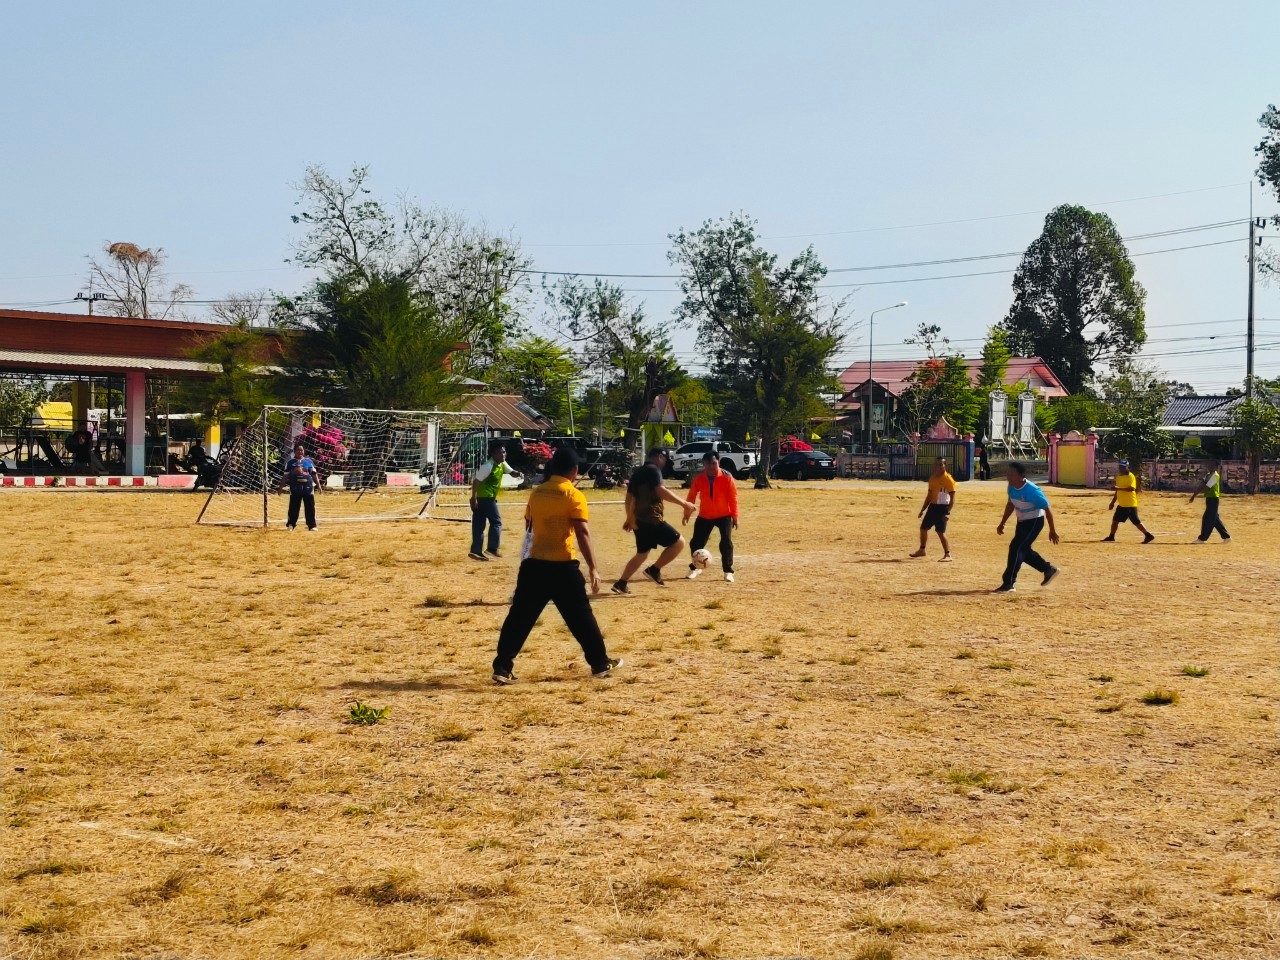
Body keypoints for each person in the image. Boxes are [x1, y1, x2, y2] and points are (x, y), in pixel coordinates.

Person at [492, 447, 620, 684]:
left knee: (519, 618)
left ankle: (502, 666)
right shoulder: (573, 495)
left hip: (534, 565)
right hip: (562, 567)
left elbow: (529, 526)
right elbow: (582, 532)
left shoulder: (537, 492)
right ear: (575, 470)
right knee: (581, 617)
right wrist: (593, 567)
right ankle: (600, 663)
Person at [612, 449, 696, 593]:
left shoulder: (638, 472)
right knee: (679, 543)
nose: (664, 464)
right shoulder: (654, 470)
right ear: (660, 457)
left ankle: (621, 583)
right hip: (651, 519)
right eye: (665, 460)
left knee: (642, 553)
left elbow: (629, 497)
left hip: (639, 520)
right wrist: (684, 504)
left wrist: (630, 518)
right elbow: (661, 491)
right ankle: (654, 570)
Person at [994, 461, 1059, 593]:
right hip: (1022, 522)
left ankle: (1009, 583)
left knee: (1016, 547)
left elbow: (1047, 508)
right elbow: (1011, 504)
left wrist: (1052, 530)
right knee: (1023, 550)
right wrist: (1002, 522)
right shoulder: (1011, 487)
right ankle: (1048, 569)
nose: (1008, 477)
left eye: (1012, 474)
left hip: (1034, 522)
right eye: (1008, 474)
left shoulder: (1032, 490)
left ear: (1021, 475)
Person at [685, 451, 739, 582]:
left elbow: (733, 498)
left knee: (726, 542)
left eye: (714, 463)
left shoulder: (727, 477)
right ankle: (696, 567)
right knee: (696, 542)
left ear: (718, 462)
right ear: (704, 464)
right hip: (705, 515)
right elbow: (691, 496)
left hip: (724, 515)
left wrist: (735, 516)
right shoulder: (699, 478)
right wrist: (687, 513)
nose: (711, 466)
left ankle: (728, 571)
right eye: (708, 464)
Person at [470, 440, 523, 560]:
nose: (503, 455)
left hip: (486, 497)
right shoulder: (488, 466)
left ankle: (476, 551)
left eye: (504, 452)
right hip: (485, 497)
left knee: (479, 524)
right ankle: (492, 548)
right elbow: (476, 482)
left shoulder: (502, 463)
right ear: (493, 454)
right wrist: (473, 498)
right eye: (500, 453)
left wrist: (518, 473)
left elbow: (511, 472)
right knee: (496, 522)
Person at [910, 457, 957, 561]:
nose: (939, 467)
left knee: (940, 532)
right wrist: (922, 509)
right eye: (937, 464)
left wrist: (947, 512)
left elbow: (952, 498)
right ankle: (922, 550)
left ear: (945, 466)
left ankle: (948, 555)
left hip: (942, 508)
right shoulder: (933, 479)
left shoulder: (948, 479)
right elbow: (929, 496)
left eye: (941, 464)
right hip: (933, 507)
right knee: (923, 528)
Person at [1104, 460, 1154, 543]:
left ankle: (1148, 535)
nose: (1121, 469)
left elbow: (1131, 488)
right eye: (1120, 467)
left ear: (1127, 467)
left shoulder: (1131, 476)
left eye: (1123, 467)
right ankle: (1111, 536)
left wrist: (1118, 488)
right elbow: (1117, 491)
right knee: (1115, 521)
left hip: (1130, 504)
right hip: (1122, 504)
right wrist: (1113, 502)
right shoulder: (1119, 477)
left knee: (1136, 522)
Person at [281, 443, 321, 531]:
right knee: (294, 507)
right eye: (298, 450)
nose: (300, 452)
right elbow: (285, 476)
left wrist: (318, 485)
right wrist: (280, 487)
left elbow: (314, 474)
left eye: (301, 450)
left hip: (308, 489)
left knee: (310, 507)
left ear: (304, 451)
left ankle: (312, 525)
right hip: (295, 489)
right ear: (294, 451)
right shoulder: (290, 463)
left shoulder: (308, 462)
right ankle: (291, 524)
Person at [1190, 458, 1231, 543]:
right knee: (1215, 519)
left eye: (1212, 465)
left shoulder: (1215, 475)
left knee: (1208, 518)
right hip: (1209, 498)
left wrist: (1196, 493)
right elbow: (1202, 484)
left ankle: (1202, 538)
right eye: (1209, 465)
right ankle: (1226, 537)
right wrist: (1194, 495)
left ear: (1216, 467)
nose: (1210, 466)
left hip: (1213, 499)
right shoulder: (1208, 475)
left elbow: (1207, 486)